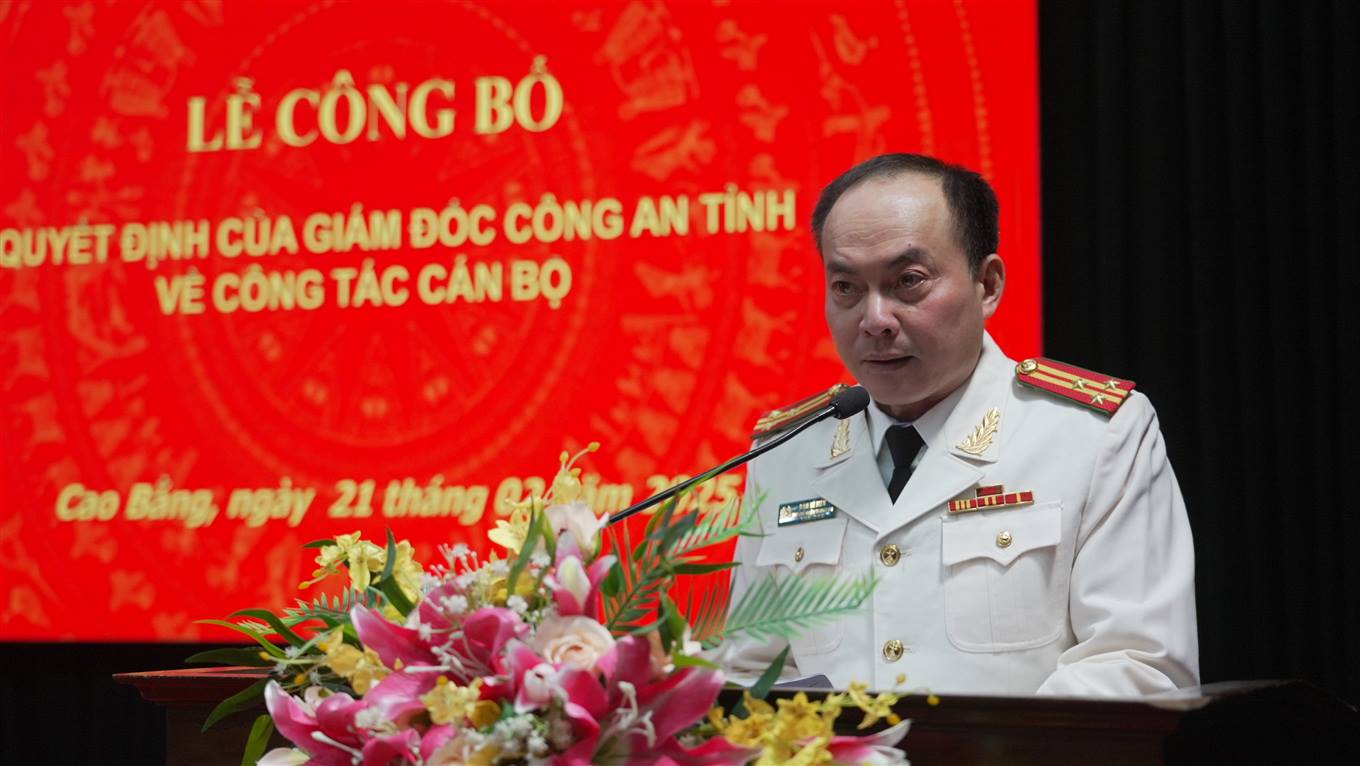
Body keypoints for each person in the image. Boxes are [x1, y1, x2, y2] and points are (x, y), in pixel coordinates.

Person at [723, 153, 1198, 696]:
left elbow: (1137, 666)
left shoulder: (1092, 434)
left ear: (987, 284)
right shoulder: (785, 454)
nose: (874, 320)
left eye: (909, 281)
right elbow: (752, 674)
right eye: (847, 287)